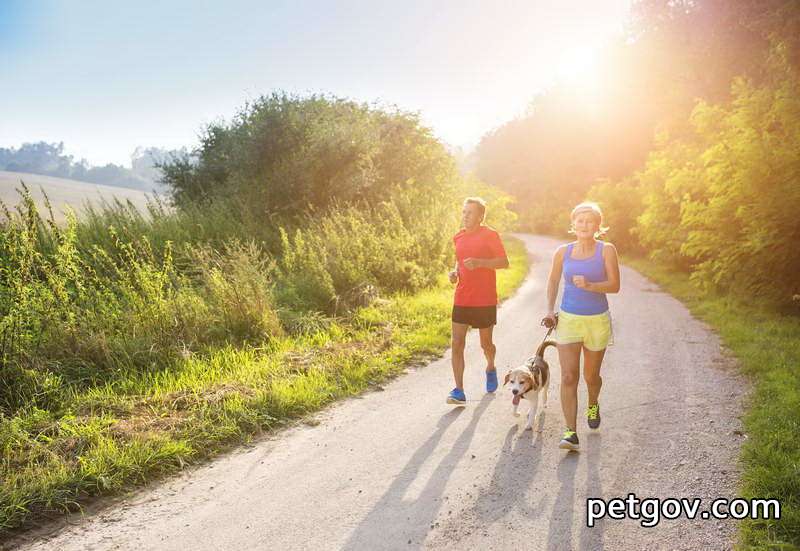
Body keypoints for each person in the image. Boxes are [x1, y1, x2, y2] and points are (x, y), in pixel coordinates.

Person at [543, 202, 620, 450]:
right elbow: (553, 280)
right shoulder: (562, 252)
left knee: (591, 376)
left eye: (590, 221)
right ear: (573, 224)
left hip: (597, 320)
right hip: (569, 320)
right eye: (580, 220)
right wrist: (549, 310)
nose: (584, 225)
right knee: (568, 376)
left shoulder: (606, 250)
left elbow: (615, 285)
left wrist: (590, 285)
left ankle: (593, 404)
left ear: (598, 226)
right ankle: (570, 432)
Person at [447, 197, 509, 405]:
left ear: (480, 216)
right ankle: (459, 390)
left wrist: (480, 263)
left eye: (469, 213)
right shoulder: (458, 237)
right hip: (462, 297)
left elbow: (504, 262)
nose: (465, 216)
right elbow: (459, 262)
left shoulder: (490, 235)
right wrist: (455, 273)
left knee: (486, 343)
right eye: (463, 212)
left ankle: (490, 366)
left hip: (484, 299)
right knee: (457, 343)